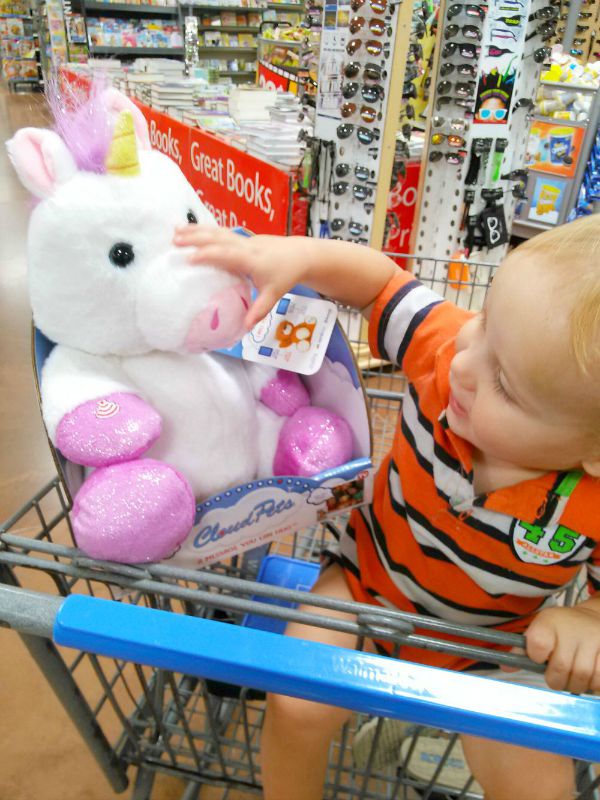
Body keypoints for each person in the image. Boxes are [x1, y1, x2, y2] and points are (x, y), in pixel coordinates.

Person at [174, 216, 600, 800]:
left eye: (504, 384)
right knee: (296, 700)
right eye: (484, 325)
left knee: (541, 783)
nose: (463, 365)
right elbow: (380, 286)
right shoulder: (444, 352)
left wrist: (588, 621)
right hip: (363, 586)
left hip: (496, 643)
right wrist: (296, 256)